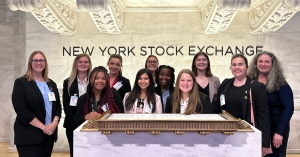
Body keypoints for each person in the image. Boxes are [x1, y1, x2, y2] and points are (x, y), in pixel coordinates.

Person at [214, 54, 270, 156]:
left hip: (247, 135)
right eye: (234, 64)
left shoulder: (257, 87)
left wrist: (265, 143)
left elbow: (264, 116)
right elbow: (218, 108)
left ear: (247, 67)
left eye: (240, 64)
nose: (237, 67)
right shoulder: (225, 84)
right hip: (226, 135)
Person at [11, 51, 62, 157]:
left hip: (49, 136)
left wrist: (54, 123)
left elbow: (58, 107)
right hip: (29, 136)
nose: (39, 63)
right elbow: (22, 110)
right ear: (30, 62)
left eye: (41, 60)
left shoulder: (51, 84)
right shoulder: (21, 83)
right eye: (35, 60)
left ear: (45, 63)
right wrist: (43, 127)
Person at [248, 51, 294, 157]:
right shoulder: (250, 81)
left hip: (276, 128)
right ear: (255, 63)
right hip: (257, 128)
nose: (263, 64)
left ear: (273, 64)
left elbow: (288, 108)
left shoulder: (280, 83)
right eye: (260, 61)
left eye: (267, 62)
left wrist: (280, 132)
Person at [62, 54, 92, 157]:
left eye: (86, 62)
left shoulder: (94, 82)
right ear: (76, 64)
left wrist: (87, 120)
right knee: (75, 153)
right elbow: (66, 106)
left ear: (89, 64)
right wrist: (78, 122)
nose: (83, 64)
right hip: (72, 125)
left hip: (91, 125)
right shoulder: (68, 82)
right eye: (80, 62)